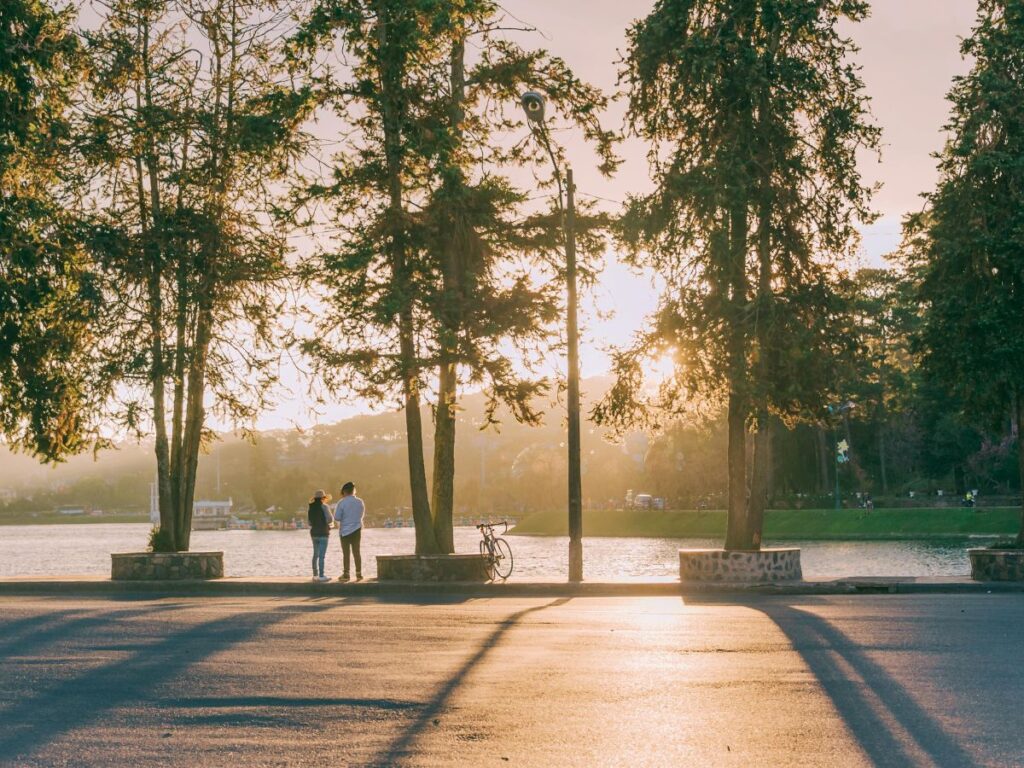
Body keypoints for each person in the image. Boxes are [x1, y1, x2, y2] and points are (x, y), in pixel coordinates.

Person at [334, 481, 365, 581]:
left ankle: (346, 574)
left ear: (344, 492)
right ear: (353, 491)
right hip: (357, 529)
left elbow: (337, 517)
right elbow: (361, 515)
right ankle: (359, 573)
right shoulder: (360, 502)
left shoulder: (341, 503)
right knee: (357, 552)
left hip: (345, 531)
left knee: (346, 553)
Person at [307, 489, 333, 582]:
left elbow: (309, 522)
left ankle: (315, 575)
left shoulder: (310, 508)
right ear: (323, 498)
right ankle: (321, 575)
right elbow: (330, 519)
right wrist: (324, 523)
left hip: (314, 533)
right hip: (323, 533)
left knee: (315, 554)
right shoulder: (325, 507)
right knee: (322, 556)